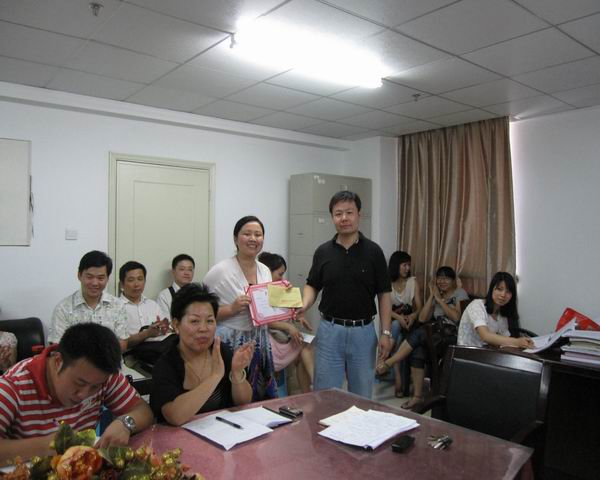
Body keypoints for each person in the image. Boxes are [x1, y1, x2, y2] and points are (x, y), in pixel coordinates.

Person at [0, 323, 154, 463]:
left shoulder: (101, 375)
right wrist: (50, 445)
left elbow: (143, 410)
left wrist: (125, 423)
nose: (84, 394)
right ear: (58, 361)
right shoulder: (12, 386)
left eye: (95, 387)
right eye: (79, 383)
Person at [299, 191, 392, 399]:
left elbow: (384, 293)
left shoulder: (374, 252)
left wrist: (386, 332)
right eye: (338, 213)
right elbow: (312, 285)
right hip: (330, 331)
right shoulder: (323, 251)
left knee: (361, 396)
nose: (344, 218)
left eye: (349, 212)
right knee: (325, 394)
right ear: (332, 217)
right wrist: (304, 304)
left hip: (363, 332)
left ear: (359, 214)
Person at [150, 283, 253, 425]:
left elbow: (243, 402)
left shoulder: (222, 352)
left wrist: (237, 373)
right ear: (176, 325)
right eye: (194, 321)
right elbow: (175, 416)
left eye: (210, 321)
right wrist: (215, 376)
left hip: (222, 433)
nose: (203, 328)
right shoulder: (166, 363)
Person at [203, 216, 278, 400]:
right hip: (230, 341)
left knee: (259, 395)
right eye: (247, 234)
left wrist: (285, 302)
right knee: (230, 396)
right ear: (236, 239)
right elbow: (203, 313)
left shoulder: (265, 270)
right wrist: (231, 308)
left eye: (258, 235)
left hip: (259, 340)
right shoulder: (220, 271)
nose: (253, 238)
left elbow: (268, 308)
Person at [376, 266, 467, 409]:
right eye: (439, 278)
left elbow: (456, 317)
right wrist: (432, 296)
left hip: (451, 336)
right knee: (418, 350)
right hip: (435, 335)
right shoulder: (437, 295)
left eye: (446, 278)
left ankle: (390, 362)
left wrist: (440, 300)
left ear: (453, 280)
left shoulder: (460, 293)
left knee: (420, 333)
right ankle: (417, 397)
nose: (442, 281)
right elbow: (423, 318)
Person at [49, 250, 129, 351]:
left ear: (107, 278)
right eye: (89, 277)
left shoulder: (118, 305)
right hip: (76, 361)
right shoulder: (63, 309)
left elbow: (122, 344)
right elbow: (57, 347)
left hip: (110, 360)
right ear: (79, 275)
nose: (95, 283)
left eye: (100, 278)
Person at [258, 252, 314, 393]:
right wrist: (288, 327)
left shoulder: (280, 289)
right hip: (270, 343)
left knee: (305, 351)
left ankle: (309, 391)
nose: (282, 278)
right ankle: (316, 386)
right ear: (267, 272)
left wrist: (298, 316)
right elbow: (264, 321)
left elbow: (289, 313)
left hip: (281, 338)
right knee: (306, 349)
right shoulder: (259, 292)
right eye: (280, 274)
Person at [458, 272, 534, 349]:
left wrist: (523, 342)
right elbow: (485, 336)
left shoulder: (501, 314)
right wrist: (517, 342)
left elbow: (504, 339)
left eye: (508, 291)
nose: (503, 295)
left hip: (488, 352)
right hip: (467, 353)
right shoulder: (476, 305)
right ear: (492, 289)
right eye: (499, 289)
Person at [386, 251, 422, 398]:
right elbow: (386, 309)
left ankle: (384, 357)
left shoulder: (412, 282)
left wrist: (412, 316)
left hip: (409, 322)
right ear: (396, 266)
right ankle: (398, 378)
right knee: (396, 329)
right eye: (404, 265)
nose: (407, 268)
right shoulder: (387, 283)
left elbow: (419, 307)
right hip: (394, 321)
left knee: (396, 329)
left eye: (409, 265)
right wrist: (398, 318)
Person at [119, 261, 168, 348]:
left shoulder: (153, 305)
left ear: (145, 281)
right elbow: (118, 343)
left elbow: (165, 329)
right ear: (122, 284)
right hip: (130, 354)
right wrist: (147, 334)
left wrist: (164, 328)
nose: (136, 284)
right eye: (131, 280)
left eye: (140, 279)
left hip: (156, 351)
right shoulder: (116, 307)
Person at [156, 254, 195, 320]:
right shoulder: (164, 296)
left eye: (190, 269)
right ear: (173, 272)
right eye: (182, 269)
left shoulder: (199, 293)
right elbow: (166, 322)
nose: (186, 273)